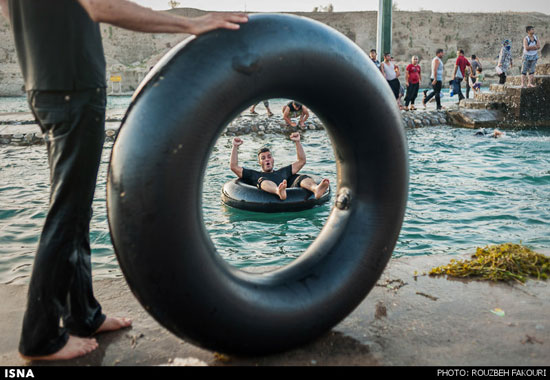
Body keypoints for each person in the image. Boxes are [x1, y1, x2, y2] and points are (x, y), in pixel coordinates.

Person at [0, 0, 248, 361]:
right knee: (68, 213)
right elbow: (102, 6)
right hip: (75, 87)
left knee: (74, 210)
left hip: (45, 85)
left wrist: (44, 33)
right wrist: (190, 24)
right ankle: (40, 338)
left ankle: (82, 315)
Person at [230, 133, 330, 200]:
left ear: (273, 160)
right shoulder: (254, 174)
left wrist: (297, 142)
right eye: (263, 158)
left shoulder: (283, 172)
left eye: (269, 157)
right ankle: (278, 191)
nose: (267, 159)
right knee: (261, 180)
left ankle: (315, 189)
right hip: (272, 189)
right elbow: (234, 166)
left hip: (287, 189)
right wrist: (235, 146)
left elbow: (302, 161)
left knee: (302, 177)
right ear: (259, 162)